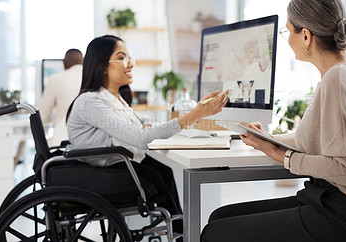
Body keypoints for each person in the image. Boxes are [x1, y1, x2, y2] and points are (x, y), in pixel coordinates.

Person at [201, 0, 346, 242]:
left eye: (287, 30)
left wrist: (284, 156)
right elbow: (316, 139)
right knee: (219, 217)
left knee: (216, 232)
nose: (286, 38)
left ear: (305, 36)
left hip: (345, 216)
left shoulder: (338, 79)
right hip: (332, 201)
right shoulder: (344, 72)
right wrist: (268, 139)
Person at [66, 34, 229, 234]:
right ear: (102, 66)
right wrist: (194, 115)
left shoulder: (115, 100)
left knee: (165, 173)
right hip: (103, 173)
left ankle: (181, 232)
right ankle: (181, 232)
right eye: (121, 57)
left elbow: (144, 125)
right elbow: (140, 138)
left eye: (129, 57)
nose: (130, 64)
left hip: (117, 164)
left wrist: (191, 114)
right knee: (159, 176)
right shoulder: (91, 101)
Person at [39, 48, 83, 147]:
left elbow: (42, 116)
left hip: (63, 143)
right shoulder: (94, 79)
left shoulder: (55, 79)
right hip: (90, 145)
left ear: (64, 63)